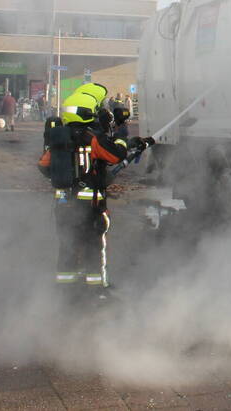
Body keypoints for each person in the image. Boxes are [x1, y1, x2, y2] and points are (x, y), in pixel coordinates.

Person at [38, 85, 154, 296]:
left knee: (68, 245)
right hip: (89, 206)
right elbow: (116, 155)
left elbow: (44, 167)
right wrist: (119, 135)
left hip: (63, 204)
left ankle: (66, 290)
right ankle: (96, 291)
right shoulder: (91, 138)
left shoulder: (58, 140)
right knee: (94, 246)